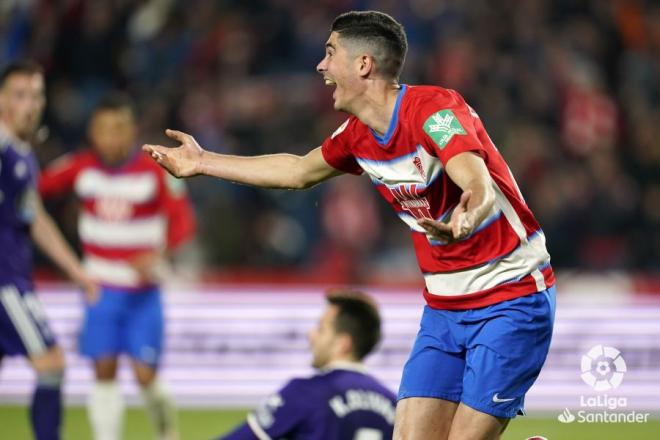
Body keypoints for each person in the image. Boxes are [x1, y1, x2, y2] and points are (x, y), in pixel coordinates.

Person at [143, 10, 556, 440]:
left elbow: (475, 177)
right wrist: (203, 162)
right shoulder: (357, 136)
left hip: (512, 297)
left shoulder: (435, 109)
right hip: (445, 308)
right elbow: (298, 171)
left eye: (330, 53)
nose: (321, 66)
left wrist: (470, 211)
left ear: (363, 64)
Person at [39, 94, 195, 440]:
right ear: (93, 133)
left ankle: (167, 431)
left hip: (142, 293)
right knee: (104, 370)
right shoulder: (80, 167)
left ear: (132, 131)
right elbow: (34, 190)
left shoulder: (156, 169)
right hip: (100, 289)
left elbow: (183, 222)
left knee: (144, 376)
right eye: (106, 130)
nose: (113, 137)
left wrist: (159, 255)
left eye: (120, 129)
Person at [0, 61, 97, 440]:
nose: (31, 104)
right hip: (5, 283)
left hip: (16, 275)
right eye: (20, 95)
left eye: (37, 95)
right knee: (52, 364)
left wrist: (77, 272)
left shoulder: (22, 154)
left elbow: (35, 218)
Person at [219, 289, 396, 440]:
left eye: (321, 329)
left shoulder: (305, 392)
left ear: (343, 343)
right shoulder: (393, 404)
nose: (311, 335)